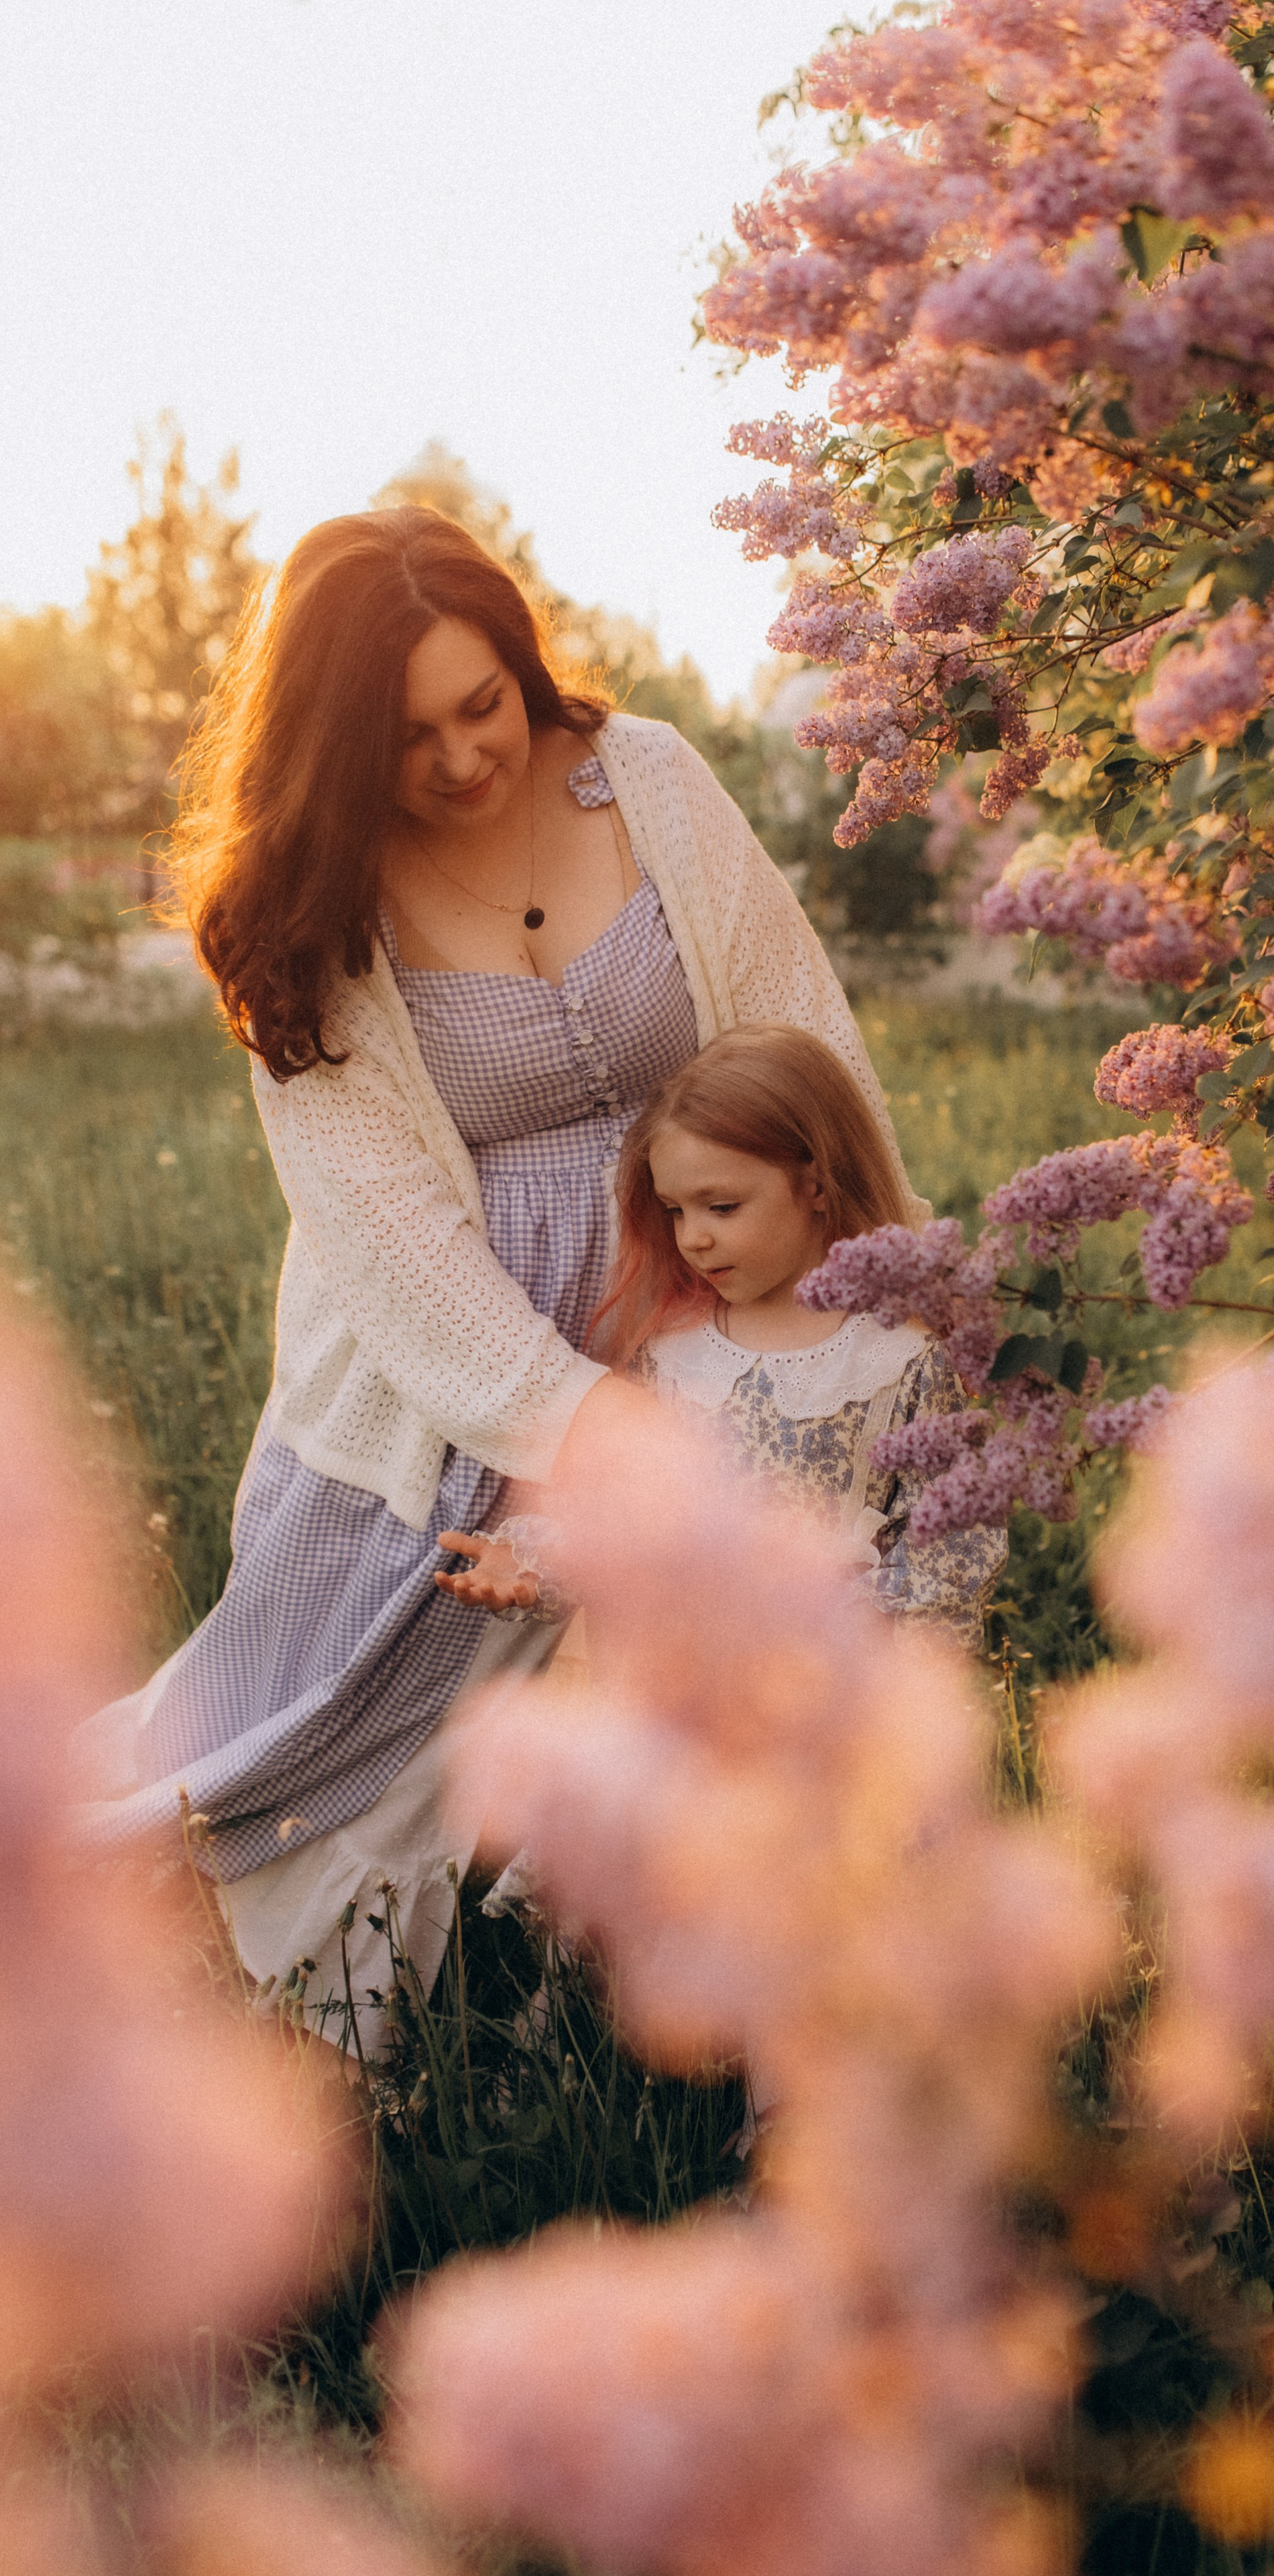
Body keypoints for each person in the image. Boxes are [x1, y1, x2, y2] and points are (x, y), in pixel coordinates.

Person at [74, 507, 925, 2058]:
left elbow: (803, 1028)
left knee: (741, 1655)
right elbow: (383, 1229)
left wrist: (875, 1275)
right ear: (336, 748)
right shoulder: (315, 903)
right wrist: (588, 1432)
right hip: (450, 1368)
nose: (468, 758)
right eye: (411, 737)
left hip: (711, 1299)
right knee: (335, 1724)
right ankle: (300, 2022)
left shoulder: (647, 780)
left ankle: (692, 1992)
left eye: (485, 704)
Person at [439, 1024, 1006, 1650]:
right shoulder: (672, 1348)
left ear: (815, 1184)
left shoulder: (901, 1356)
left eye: (722, 1207)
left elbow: (948, 1546)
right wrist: (536, 1564)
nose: (693, 1237)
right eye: (676, 1210)